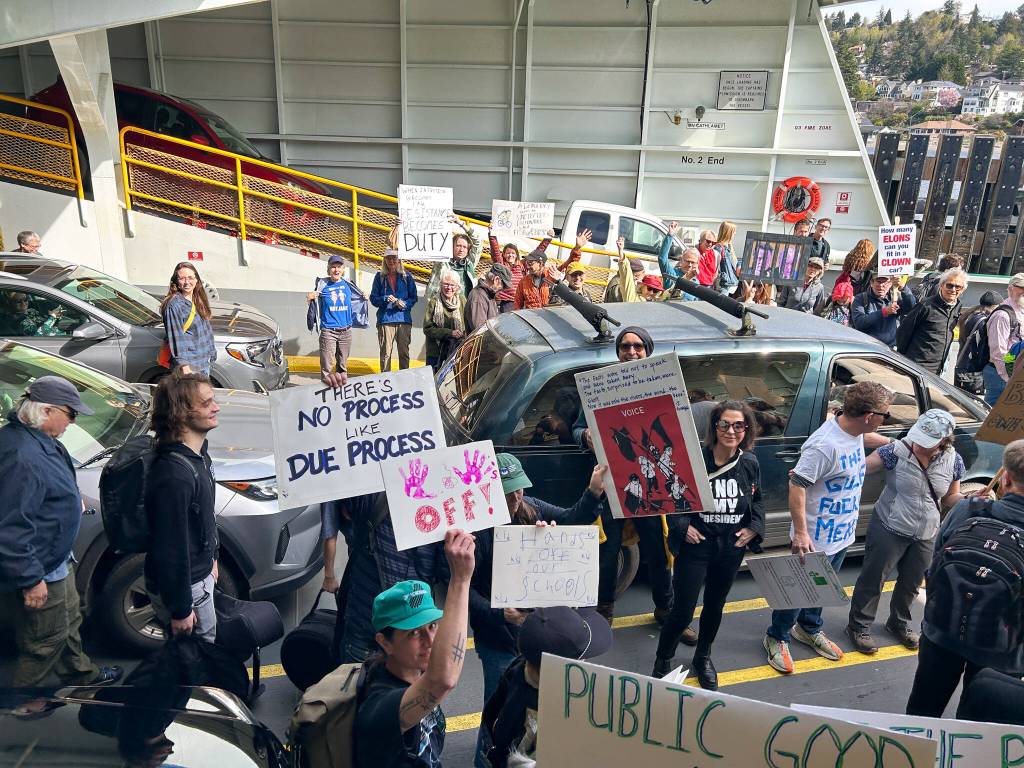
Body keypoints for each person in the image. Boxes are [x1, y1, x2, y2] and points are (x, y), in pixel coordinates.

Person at [466, 455, 607, 768]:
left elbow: (572, 518)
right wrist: (501, 614)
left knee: (538, 705)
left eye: (519, 489)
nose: (516, 497)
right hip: (499, 640)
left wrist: (593, 493)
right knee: (500, 710)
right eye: (507, 492)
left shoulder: (531, 508)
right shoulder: (475, 531)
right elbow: (464, 593)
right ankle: (486, 761)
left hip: (539, 636)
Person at [0, 377, 122, 696]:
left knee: (68, 619)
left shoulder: (37, 437)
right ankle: (19, 710)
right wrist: (30, 579)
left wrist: (69, 499)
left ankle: (79, 673)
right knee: (44, 642)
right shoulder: (22, 456)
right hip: (39, 567)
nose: (72, 423)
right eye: (71, 415)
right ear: (47, 410)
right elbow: (11, 526)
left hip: (55, 558)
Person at [763, 381, 893, 674]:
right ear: (869, 415)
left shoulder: (854, 431)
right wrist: (800, 533)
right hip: (815, 538)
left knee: (822, 589)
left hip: (841, 533)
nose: (888, 420)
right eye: (886, 415)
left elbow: (865, 439)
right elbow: (796, 484)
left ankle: (808, 628)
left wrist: (894, 444)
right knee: (798, 592)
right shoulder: (824, 446)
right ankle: (777, 636)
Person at [906, 439, 1024, 718]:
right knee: (978, 720)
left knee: (923, 709)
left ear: (1005, 479)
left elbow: (935, 562)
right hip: (1003, 650)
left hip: (942, 630)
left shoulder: (968, 510)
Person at [572, 326, 678, 634]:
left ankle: (665, 607)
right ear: (618, 352)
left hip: (650, 484)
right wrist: (585, 435)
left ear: (648, 350)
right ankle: (604, 611)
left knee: (658, 551)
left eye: (637, 347)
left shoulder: (662, 385)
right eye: (625, 347)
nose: (631, 352)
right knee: (608, 550)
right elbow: (577, 427)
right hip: (610, 484)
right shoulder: (599, 386)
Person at [653, 400, 765, 689]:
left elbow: (758, 500)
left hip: (731, 547)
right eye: (724, 424)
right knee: (683, 610)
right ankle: (663, 659)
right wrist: (682, 526)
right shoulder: (694, 460)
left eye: (738, 425)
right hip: (697, 546)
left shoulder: (750, 462)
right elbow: (671, 498)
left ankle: (703, 657)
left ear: (746, 429)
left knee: (715, 606)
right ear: (714, 427)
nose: (731, 430)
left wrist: (754, 528)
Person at [353, 529, 475, 768]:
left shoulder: (414, 674)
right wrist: (460, 580)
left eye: (432, 626)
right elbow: (442, 680)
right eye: (413, 633)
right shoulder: (379, 706)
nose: (430, 641)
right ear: (384, 642)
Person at [846, 410, 963, 655]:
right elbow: (857, 470)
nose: (920, 445)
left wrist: (971, 499)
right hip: (890, 524)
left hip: (927, 531)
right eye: (918, 438)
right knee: (873, 577)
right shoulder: (896, 451)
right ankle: (859, 625)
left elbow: (951, 497)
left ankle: (898, 621)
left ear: (944, 440)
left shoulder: (954, 460)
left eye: (928, 442)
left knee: (911, 582)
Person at [481, 606, 612, 768]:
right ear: (563, 668)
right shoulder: (543, 714)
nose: (586, 661)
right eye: (582, 658)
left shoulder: (520, 668)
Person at [144, 371, 221, 643]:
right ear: (181, 413)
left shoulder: (199, 455)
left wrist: (211, 557)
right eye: (206, 403)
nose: (216, 407)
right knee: (195, 657)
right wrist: (181, 609)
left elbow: (202, 517)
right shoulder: (173, 475)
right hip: (188, 589)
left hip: (200, 577)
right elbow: (170, 546)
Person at [895, 267, 966, 375]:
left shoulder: (957, 306)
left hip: (938, 369)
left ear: (962, 290)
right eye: (950, 285)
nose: (953, 289)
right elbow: (903, 332)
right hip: (917, 366)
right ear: (941, 285)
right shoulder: (925, 305)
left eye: (958, 287)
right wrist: (904, 358)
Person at [371, 227, 418, 373]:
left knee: (404, 354)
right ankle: (386, 382)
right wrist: (385, 299)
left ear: (399, 260)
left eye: (394, 258)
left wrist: (404, 304)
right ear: (385, 260)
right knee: (385, 355)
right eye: (389, 258)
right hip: (385, 320)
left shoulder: (407, 276)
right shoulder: (379, 277)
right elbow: (373, 299)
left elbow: (413, 297)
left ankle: (404, 381)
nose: (391, 260)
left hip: (403, 319)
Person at [160, 261, 215, 376]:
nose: (187, 282)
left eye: (190, 278)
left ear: (196, 280)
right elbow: (176, 338)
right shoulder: (174, 305)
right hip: (190, 368)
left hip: (203, 363)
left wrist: (212, 352)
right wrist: (184, 367)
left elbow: (206, 328)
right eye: (182, 278)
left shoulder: (197, 298)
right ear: (176, 281)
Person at [307, 255, 355, 384]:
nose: (336, 270)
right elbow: (313, 304)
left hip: (346, 331)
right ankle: (326, 395)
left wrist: (364, 296)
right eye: (333, 267)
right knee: (327, 368)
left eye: (339, 267)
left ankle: (342, 393)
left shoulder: (348, 284)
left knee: (342, 366)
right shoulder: (323, 285)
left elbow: (357, 299)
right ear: (329, 269)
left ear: (343, 269)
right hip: (329, 332)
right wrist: (310, 297)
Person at [983, 273, 1024, 406]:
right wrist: (1010, 375)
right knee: (992, 417)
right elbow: (1000, 352)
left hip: (1015, 374)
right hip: (1001, 375)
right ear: (1011, 288)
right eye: (1021, 287)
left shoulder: (1020, 311)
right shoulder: (1002, 315)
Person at [954, 290, 1003, 395]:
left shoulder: (970, 316)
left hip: (962, 365)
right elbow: (982, 350)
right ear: (996, 306)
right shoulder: (983, 322)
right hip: (972, 371)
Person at [851, 274, 917, 348]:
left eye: (885, 282)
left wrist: (903, 287)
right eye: (878, 282)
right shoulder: (860, 299)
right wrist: (884, 312)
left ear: (890, 284)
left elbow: (911, 306)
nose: (881, 285)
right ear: (871, 283)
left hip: (889, 349)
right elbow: (859, 323)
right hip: (867, 348)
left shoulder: (894, 298)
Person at [425, 217, 481, 302]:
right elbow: (431, 237)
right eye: (458, 246)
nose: (461, 249)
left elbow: (477, 241)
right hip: (440, 306)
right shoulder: (442, 261)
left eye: (464, 247)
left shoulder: (469, 264)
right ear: (452, 247)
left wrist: (460, 223)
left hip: (463, 307)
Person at [423, 271, 466, 372]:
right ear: (440, 285)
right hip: (436, 352)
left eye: (452, 285)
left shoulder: (462, 300)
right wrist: (449, 333)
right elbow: (427, 328)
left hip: (456, 351)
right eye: (445, 284)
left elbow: (467, 322)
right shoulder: (434, 302)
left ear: (457, 287)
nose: (448, 287)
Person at [467, 264, 513, 333]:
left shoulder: (489, 294)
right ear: (496, 280)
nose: (503, 289)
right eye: (503, 285)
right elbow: (480, 330)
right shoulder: (478, 297)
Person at [713, 221, 739, 296]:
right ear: (728, 232)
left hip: (730, 285)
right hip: (723, 286)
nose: (735, 233)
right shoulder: (719, 248)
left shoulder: (729, 247)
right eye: (733, 231)